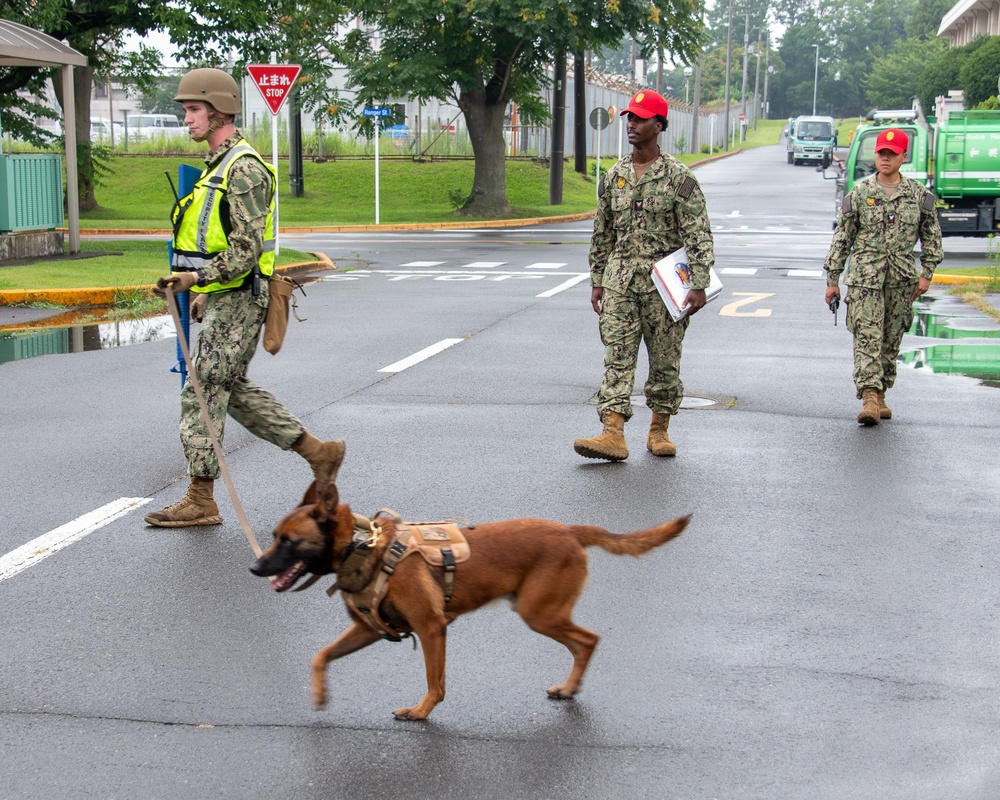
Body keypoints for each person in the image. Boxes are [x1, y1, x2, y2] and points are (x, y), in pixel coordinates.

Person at [146, 68, 344, 528]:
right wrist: (203, 290)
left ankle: (201, 498)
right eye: (186, 110)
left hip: (241, 297)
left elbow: (244, 251)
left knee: (202, 388)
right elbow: (218, 238)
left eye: (193, 109)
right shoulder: (220, 164)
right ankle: (319, 453)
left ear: (218, 111)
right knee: (227, 388)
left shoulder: (244, 169)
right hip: (224, 294)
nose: (187, 119)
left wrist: (195, 278)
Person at [574, 89, 715, 461]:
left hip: (664, 287)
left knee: (665, 360)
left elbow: (697, 233)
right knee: (617, 357)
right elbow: (602, 232)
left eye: (640, 118)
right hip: (621, 281)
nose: (632, 124)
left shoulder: (679, 179)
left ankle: (659, 429)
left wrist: (699, 284)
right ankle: (613, 432)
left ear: (659, 125)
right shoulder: (615, 176)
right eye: (629, 118)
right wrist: (597, 280)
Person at [823, 127, 943, 426]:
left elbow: (932, 237)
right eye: (881, 153)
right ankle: (869, 397)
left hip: (901, 280)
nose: (885, 158)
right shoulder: (860, 194)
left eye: (891, 153)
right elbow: (842, 238)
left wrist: (926, 274)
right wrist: (832, 279)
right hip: (865, 280)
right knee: (867, 337)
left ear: (904, 156)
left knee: (891, 339)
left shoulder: (919, 195)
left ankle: (882, 392)